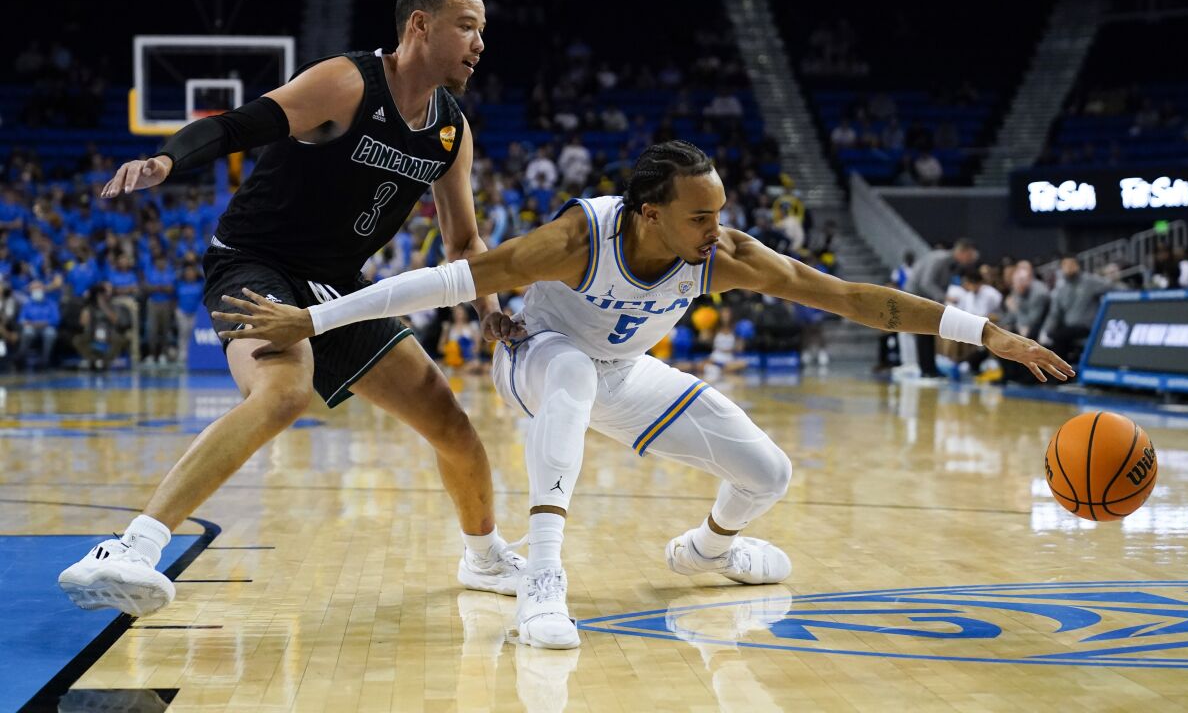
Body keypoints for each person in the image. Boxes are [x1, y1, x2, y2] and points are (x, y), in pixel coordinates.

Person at [214, 140, 1073, 650]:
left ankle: (706, 552)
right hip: (538, 360)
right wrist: (313, 323)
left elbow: (852, 298)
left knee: (767, 474)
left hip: (626, 373)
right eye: (701, 216)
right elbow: (441, 279)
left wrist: (984, 333)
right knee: (574, 371)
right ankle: (543, 581)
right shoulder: (576, 239)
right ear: (646, 214)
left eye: (720, 212)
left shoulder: (721, 254)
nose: (718, 228)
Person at [58, 0, 526, 618]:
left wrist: (493, 312)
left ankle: (484, 555)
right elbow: (239, 125)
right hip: (255, 262)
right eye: (467, 26)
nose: (479, 43)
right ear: (420, 25)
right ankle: (131, 549)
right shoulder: (347, 82)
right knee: (283, 391)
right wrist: (165, 162)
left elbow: (465, 243)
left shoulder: (451, 129)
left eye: (482, 31)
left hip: (335, 290)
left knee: (453, 427)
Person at [907, 238, 978, 378]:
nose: (970, 261)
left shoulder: (952, 263)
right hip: (916, 297)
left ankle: (930, 368)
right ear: (962, 252)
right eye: (969, 256)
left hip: (925, 298)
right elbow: (926, 283)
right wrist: (945, 297)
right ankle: (927, 370)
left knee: (929, 334)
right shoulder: (940, 259)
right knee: (923, 335)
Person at [1042, 255, 1110, 364]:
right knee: (1052, 335)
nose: (1068, 267)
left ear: (1077, 265)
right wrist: (1045, 331)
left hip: (1087, 326)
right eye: (1065, 265)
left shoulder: (1090, 281)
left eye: (1071, 264)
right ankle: (1061, 372)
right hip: (1070, 328)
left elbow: (1112, 287)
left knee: (1058, 336)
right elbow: (1055, 313)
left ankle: (1059, 375)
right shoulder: (1062, 287)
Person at [16, 280, 60, 369]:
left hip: (46, 327)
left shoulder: (51, 303)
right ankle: (21, 358)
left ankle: (45, 360)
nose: (37, 290)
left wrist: (43, 323)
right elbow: (21, 319)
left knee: (50, 334)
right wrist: (28, 323)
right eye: (34, 288)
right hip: (31, 327)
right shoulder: (27, 304)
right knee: (27, 332)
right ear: (30, 291)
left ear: (43, 289)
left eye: (39, 288)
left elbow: (56, 319)